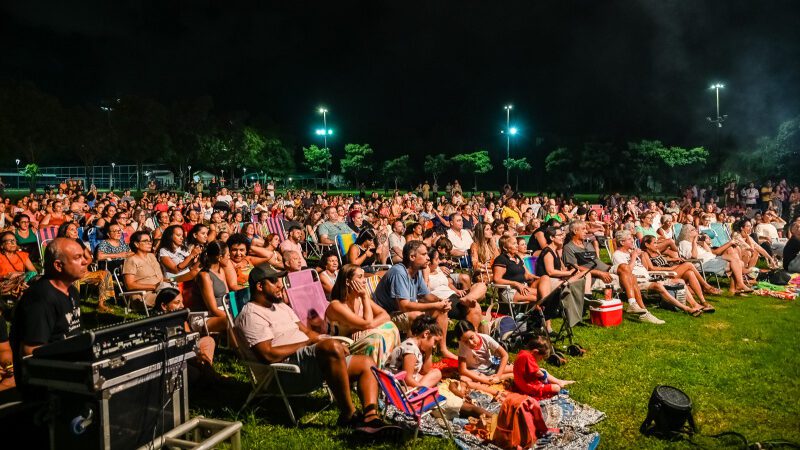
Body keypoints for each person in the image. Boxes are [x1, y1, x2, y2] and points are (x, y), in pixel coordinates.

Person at [235, 264, 392, 432]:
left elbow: (307, 332)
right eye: (274, 281)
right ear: (260, 286)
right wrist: (316, 344)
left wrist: (326, 341)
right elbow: (268, 355)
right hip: (283, 372)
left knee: (366, 363)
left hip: (310, 361)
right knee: (330, 346)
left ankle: (371, 417)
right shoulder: (251, 315)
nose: (281, 284)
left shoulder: (280, 306)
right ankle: (349, 415)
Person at [10, 238, 88, 396]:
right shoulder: (40, 299)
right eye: (77, 257)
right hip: (47, 386)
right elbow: (30, 352)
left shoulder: (72, 291)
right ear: (58, 265)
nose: (85, 262)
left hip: (72, 369)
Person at [372, 241, 456, 359]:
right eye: (424, 254)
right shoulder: (399, 272)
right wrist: (435, 305)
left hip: (399, 311)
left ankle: (443, 349)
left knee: (441, 311)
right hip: (385, 314)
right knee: (416, 315)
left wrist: (442, 302)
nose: (428, 258)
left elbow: (426, 296)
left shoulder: (416, 272)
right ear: (412, 257)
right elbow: (404, 306)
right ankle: (411, 355)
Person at [325, 264, 401, 368]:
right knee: (375, 338)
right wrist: (365, 296)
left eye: (364, 276)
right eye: (360, 277)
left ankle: (390, 366)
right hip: (342, 347)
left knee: (390, 326)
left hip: (357, 341)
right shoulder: (336, 305)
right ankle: (375, 376)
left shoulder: (358, 299)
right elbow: (367, 323)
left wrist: (363, 328)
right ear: (348, 282)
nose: (365, 280)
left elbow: (385, 315)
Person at [613, 230, 699, 316]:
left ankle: (695, 305)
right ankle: (686, 308)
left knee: (680, 281)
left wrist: (640, 256)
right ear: (622, 242)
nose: (632, 240)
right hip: (637, 282)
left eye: (632, 238)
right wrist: (634, 256)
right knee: (658, 286)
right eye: (629, 239)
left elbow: (646, 269)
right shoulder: (618, 255)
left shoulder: (631, 253)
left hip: (649, 278)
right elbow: (626, 271)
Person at [424, 247, 486, 331]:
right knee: (475, 307)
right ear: (428, 262)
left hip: (454, 295)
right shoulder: (422, 275)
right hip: (444, 301)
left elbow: (448, 283)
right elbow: (425, 293)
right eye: (436, 259)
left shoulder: (438, 269)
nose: (439, 261)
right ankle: (474, 335)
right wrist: (426, 272)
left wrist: (456, 290)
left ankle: (468, 298)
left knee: (481, 285)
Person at [385, 315, 443, 389]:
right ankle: (419, 392)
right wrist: (425, 389)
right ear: (426, 334)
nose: (435, 346)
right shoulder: (411, 350)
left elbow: (426, 371)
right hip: (397, 385)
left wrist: (429, 352)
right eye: (435, 341)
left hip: (406, 380)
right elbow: (407, 378)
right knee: (431, 381)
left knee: (436, 373)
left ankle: (419, 391)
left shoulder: (416, 347)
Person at [512, 335, 574, 400]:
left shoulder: (523, 353)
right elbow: (538, 373)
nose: (541, 359)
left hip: (520, 385)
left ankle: (559, 381)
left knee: (542, 370)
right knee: (556, 388)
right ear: (535, 352)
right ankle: (558, 383)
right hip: (529, 389)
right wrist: (545, 380)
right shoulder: (528, 357)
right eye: (541, 357)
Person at [454, 320, 513, 385]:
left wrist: (498, 376)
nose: (470, 343)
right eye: (466, 342)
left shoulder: (486, 338)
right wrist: (485, 380)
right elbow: (462, 370)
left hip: (491, 367)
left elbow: (504, 355)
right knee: (464, 379)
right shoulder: (462, 345)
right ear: (461, 341)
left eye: (472, 338)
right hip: (475, 371)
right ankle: (497, 378)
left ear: (475, 331)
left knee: (513, 368)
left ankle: (494, 378)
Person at [122, 230, 166, 309]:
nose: (150, 243)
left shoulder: (152, 256)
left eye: (150, 241)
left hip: (161, 290)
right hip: (143, 295)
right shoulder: (131, 260)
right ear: (136, 244)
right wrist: (154, 287)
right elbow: (129, 285)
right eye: (145, 241)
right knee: (171, 297)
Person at [193, 240, 231, 333]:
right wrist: (233, 316)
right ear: (220, 257)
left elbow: (227, 296)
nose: (229, 258)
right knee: (232, 321)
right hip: (206, 316)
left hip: (223, 310)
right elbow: (213, 309)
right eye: (228, 255)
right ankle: (237, 348)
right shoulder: (204, 276)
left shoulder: (221, 270)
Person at [492, 235, 539, 303]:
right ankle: (535, 311)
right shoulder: (501, 259)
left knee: (543, 292)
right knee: (537, 298)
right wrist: (515, 283)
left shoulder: (517, 258)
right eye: (514, 244)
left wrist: (538, 278)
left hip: (523, 287)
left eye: (516, 243)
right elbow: (496, 279)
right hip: (509, 291)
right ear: (505, 247)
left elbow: (527, 275)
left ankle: (537, 311)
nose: (517, 245)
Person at [0, 231, 37, 299]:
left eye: (14, 240)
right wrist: (6, 276)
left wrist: (19, 275)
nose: (13, 243)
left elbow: (34, 272)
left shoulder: (22, 255)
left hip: (22, 281)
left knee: (34, 275)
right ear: (2, 245)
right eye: (9, 241)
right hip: (5, 284)